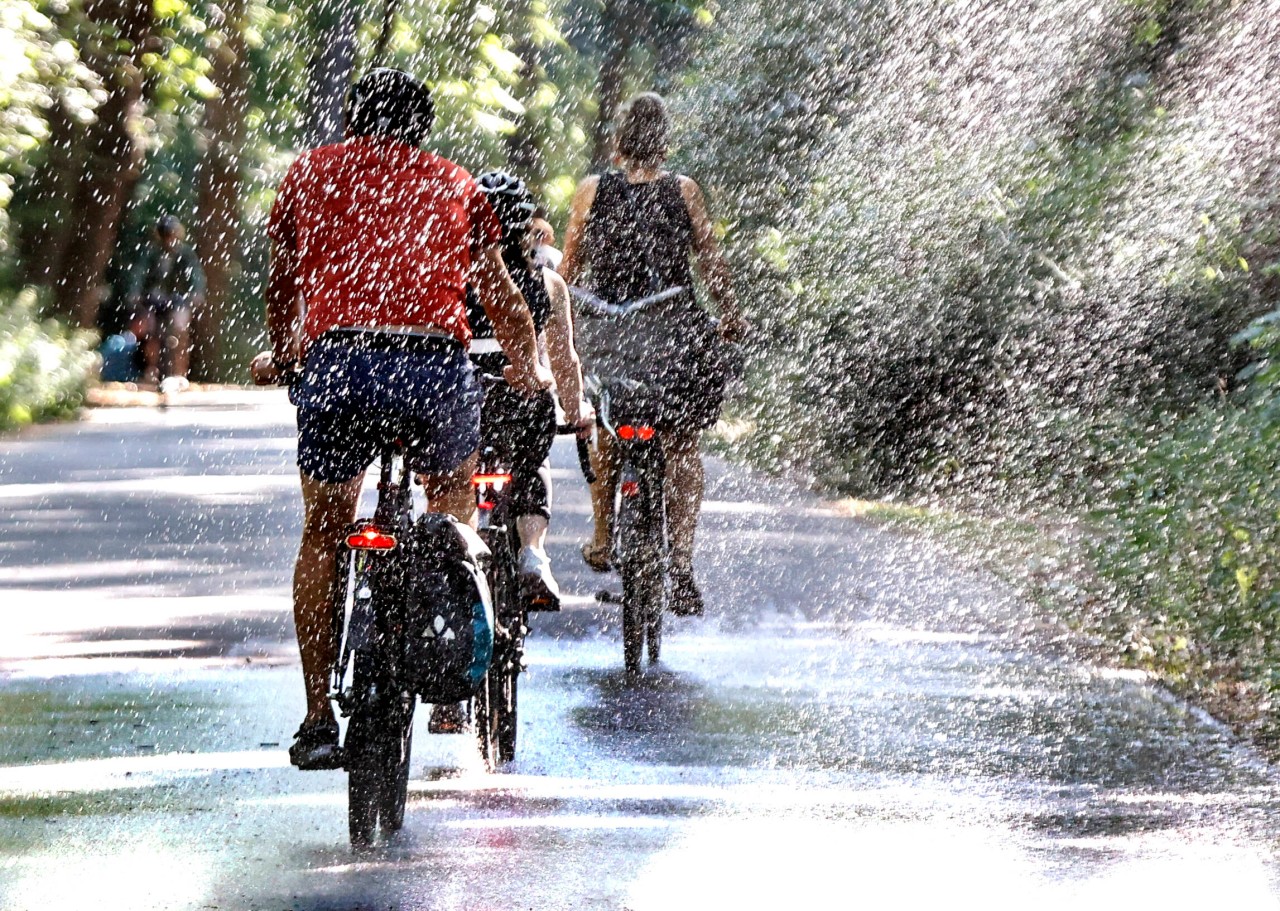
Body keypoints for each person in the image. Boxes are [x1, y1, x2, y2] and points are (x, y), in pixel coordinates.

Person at [251, 68, 551, 770]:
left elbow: (281, 283)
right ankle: (449, 672)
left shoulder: (309, 175)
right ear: (422, 125)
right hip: (431, 371)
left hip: (340, 364)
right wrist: (527, 363)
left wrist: (289, 352)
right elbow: (501, 294)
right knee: (451, 501)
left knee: (325, 527)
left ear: (356, 119)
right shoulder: (454, 182)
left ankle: (317, 716)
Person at [559, 92, 748, 618]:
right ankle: (682, 562)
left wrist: (560, 317)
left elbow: (570, 267)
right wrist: (730, 315)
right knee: (682, 444)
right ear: (664, 143)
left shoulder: (591, 192)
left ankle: (601, 535)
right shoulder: (683, 191)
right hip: (672, 335)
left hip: (611, 332)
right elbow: (709, 260)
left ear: (618, 142)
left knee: (607, 425)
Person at [466, 172, 594, 612]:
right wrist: (577, 412)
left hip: (466, 399)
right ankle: (533, 553)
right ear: (528, 230)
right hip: (520, 400)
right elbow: (564, 359)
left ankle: (455, 549)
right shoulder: (547, 284)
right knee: (531, 464)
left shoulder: (454, 278)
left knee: (451, 470)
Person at [128, 215, 205, 384]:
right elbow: (139, 274)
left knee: (181, 329)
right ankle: (152, 369)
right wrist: (135, 292)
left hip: (179, 298)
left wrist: (196, 292)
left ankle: (180, 371)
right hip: (155, 297)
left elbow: (195, 274)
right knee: (151, 332)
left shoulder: (185, 253)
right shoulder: (152, 253)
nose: (169, 239)